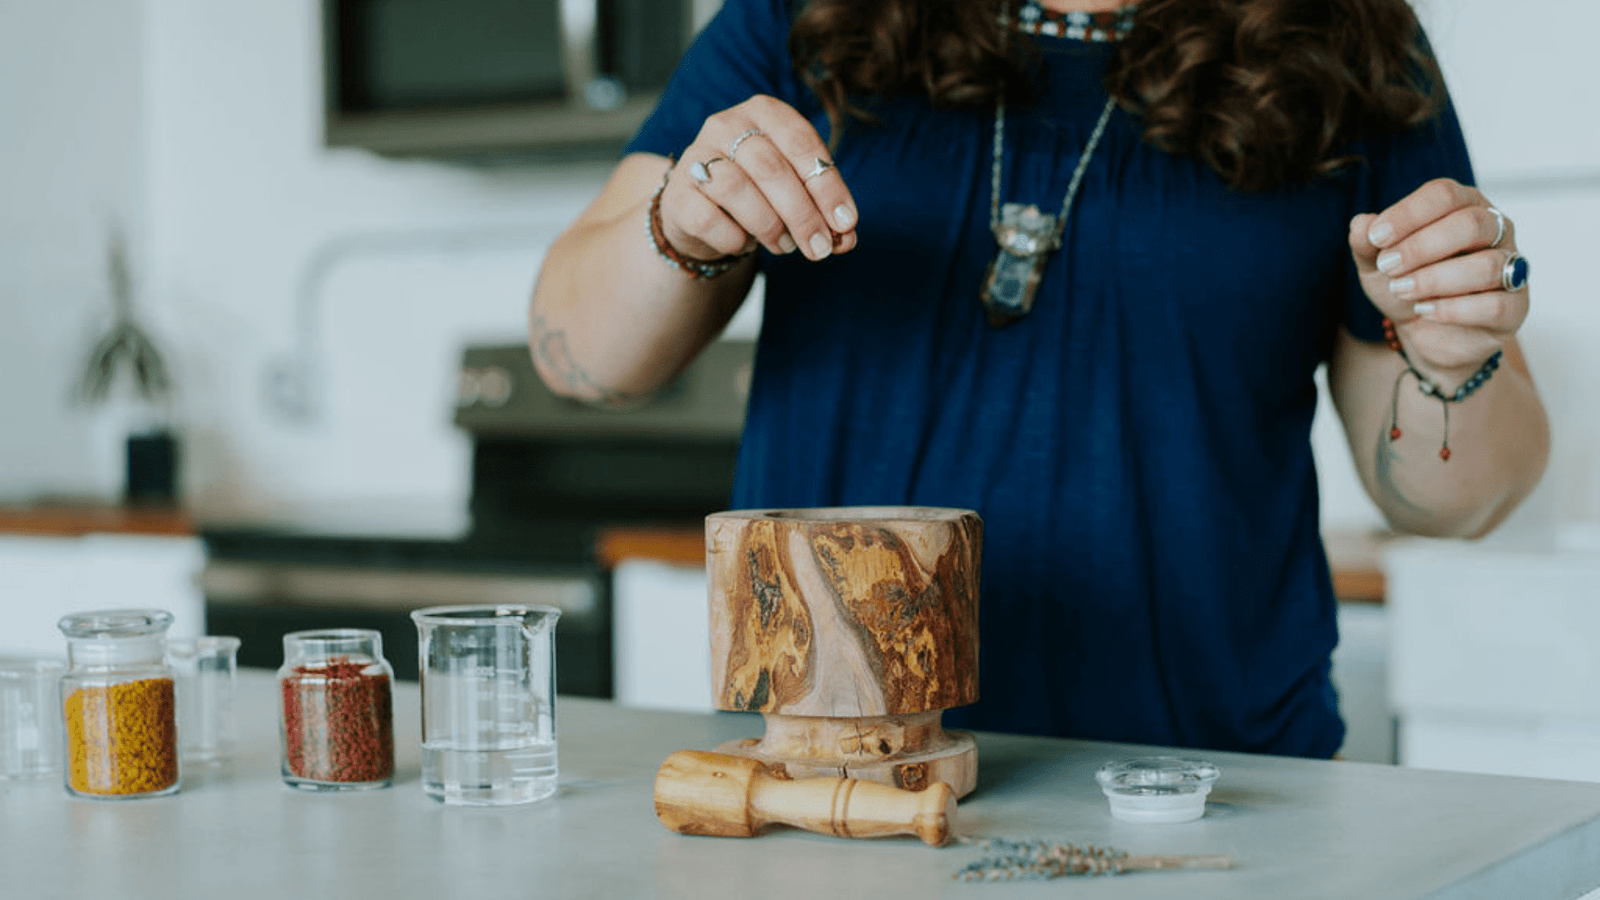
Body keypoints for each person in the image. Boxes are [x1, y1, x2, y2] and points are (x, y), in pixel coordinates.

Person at [527, 0, 1549, 759]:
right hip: (842, 774)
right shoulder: (799, 17)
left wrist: (1449, 359)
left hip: (1211, 787)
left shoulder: (1348, 35)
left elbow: (1455, 502)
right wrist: (681, 222)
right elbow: (580, 355)